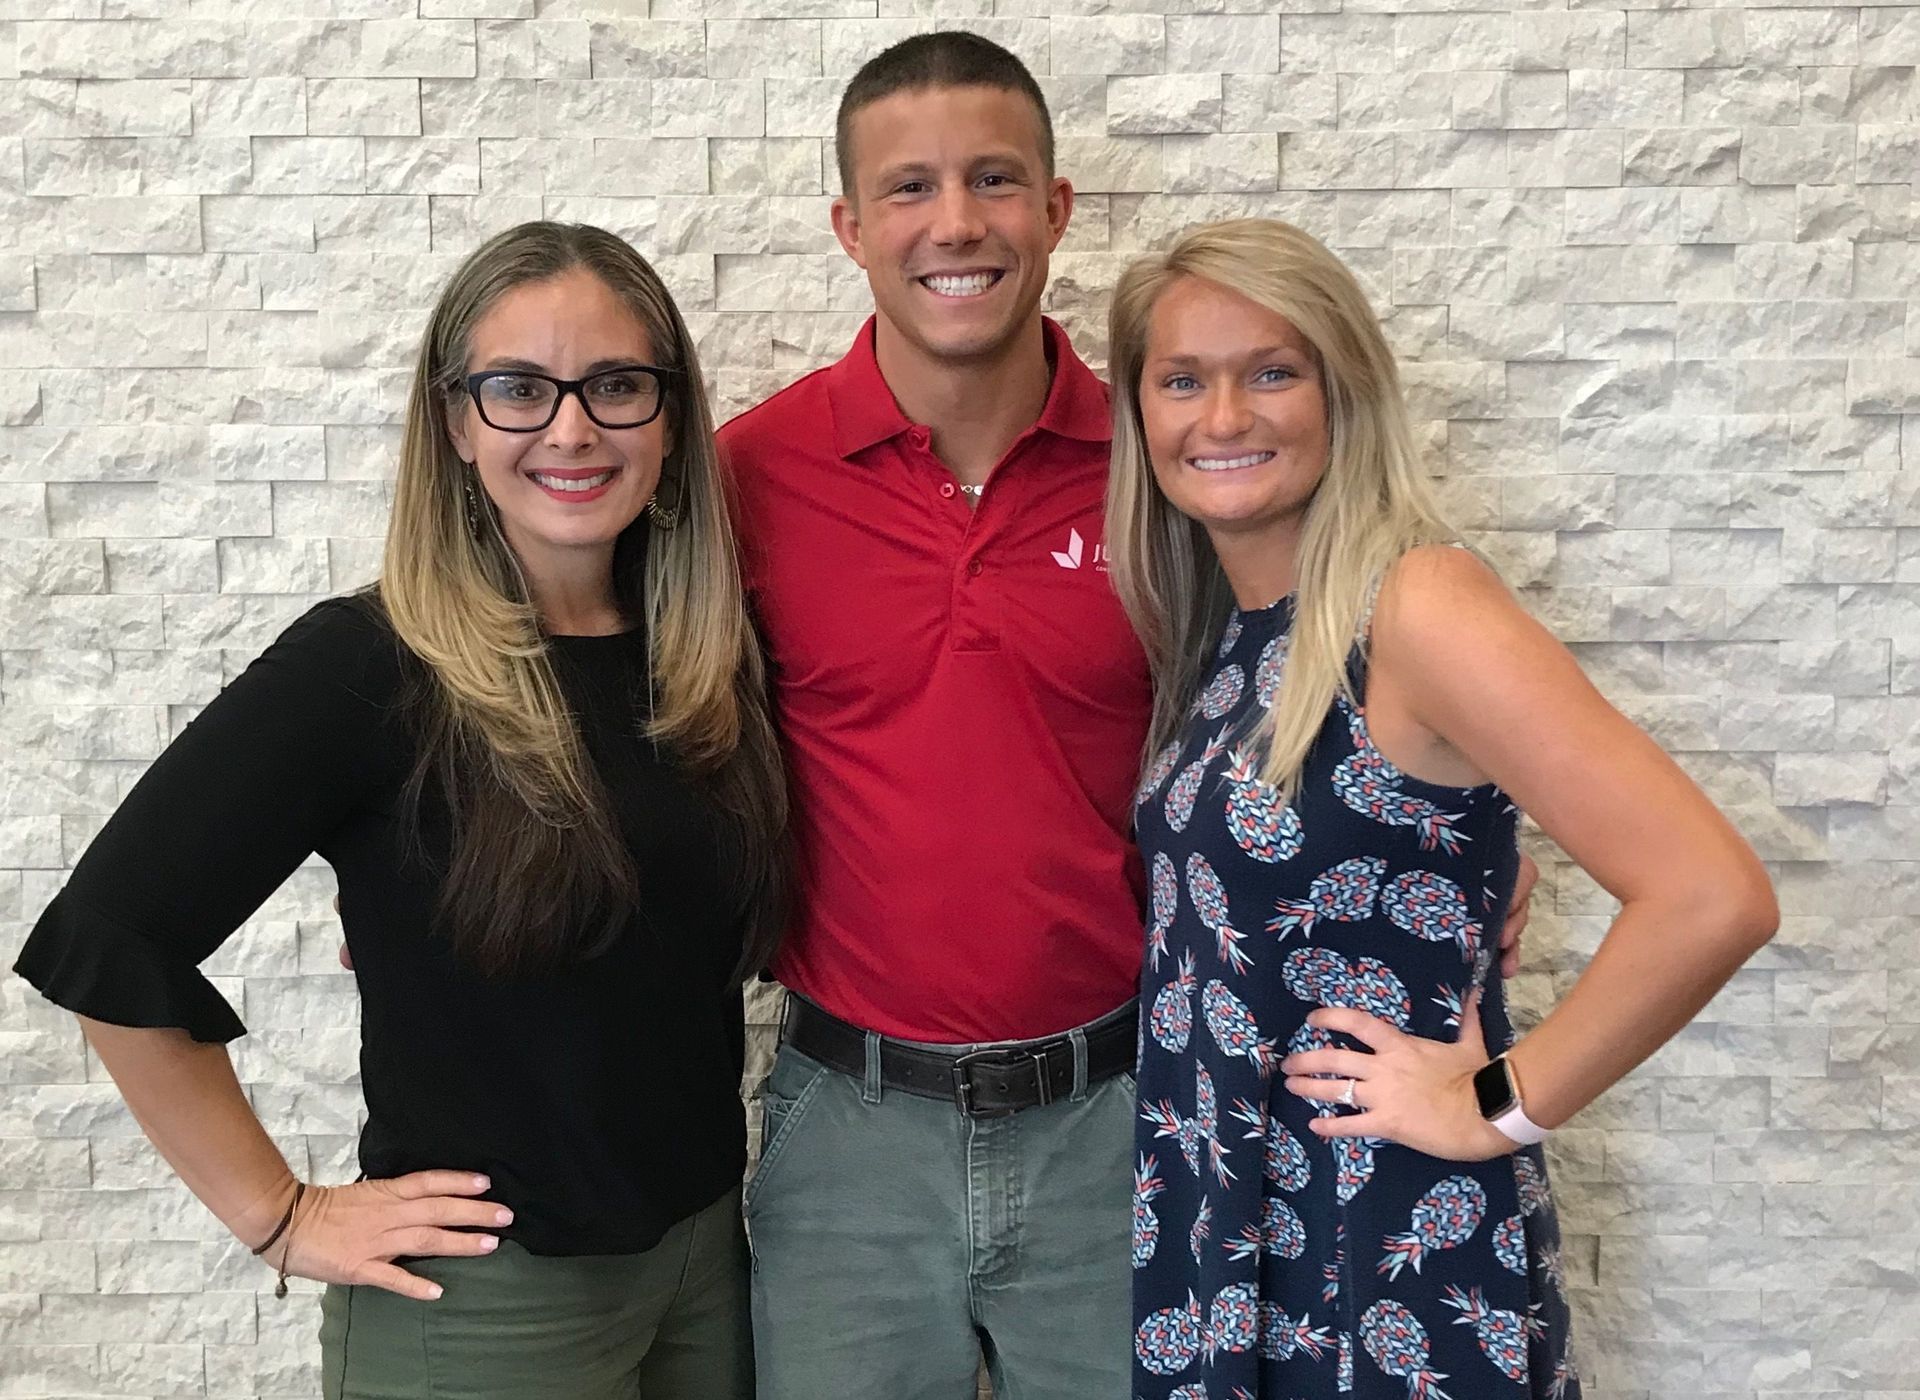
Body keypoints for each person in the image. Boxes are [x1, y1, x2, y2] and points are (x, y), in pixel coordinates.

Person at [720, 34, 1537, 1398]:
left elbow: (1323, 675)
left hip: (1129, 1112)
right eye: (909, 188)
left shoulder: (1166, 461)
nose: (956, 223)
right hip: (848, 1124)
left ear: (1056, 209)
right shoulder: (752, 474)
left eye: (994, 179)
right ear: (850, 226)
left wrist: (1475, 854)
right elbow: (649, 718)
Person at [12, 222, 785, 1400]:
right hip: (485, 1305)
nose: (571, 428)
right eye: (518, 389)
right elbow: (108, 940)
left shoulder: (703, 661)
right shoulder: (368, 666)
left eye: (618, 386)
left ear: (670, 418)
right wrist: (278, 1214)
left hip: (704, 1266)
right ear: (457, 421)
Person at [1108, 217, 1778, 1398]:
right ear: (1140, 412)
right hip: (1227, 1218)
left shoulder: (1418, 602)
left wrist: (1494, 1108)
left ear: (1344, 391)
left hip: (1382, 1233)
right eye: (1182, 379)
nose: (1223, 417)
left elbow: (1711, 893)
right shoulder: (1223, 632)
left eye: (1272, 370)